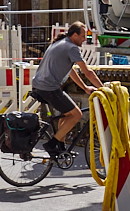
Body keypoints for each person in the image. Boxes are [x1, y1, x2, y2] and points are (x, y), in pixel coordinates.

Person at [30, 22, 106, 156]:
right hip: (49, 88)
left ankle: (61, 148)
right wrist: (104, 89)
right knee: (77, 114)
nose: (84, 39)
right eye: (82, 36)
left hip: (40, 86)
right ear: (75, 35)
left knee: (67, 114)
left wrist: (85, 88)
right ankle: (52, 144)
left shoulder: (59, 43)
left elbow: (70, 71)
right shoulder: (71, 48)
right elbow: (88, 72)